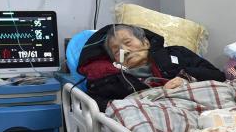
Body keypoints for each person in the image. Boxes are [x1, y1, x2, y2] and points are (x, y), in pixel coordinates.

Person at [77, 24, 225, 110]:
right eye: (117, 51)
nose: (125, 51)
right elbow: (93, 104)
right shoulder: (109, 80)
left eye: (127, 42)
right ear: (115, 60)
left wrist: (185, 77)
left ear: (146, 43)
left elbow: (218, 76)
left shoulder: (176, 54)